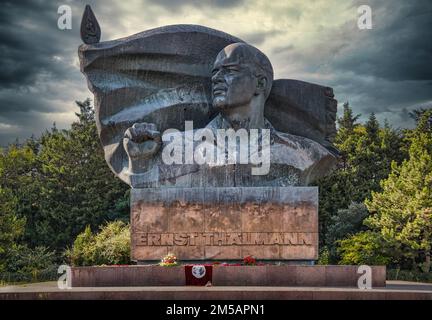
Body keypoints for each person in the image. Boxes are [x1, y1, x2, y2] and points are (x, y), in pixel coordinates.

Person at [122, 43, 336, 187]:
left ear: (260, 83)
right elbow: (150, 204)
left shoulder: (305, 153)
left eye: (230, 70)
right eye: (215, 72)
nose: (217, 78)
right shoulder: (173, 146)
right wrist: (140, 164)